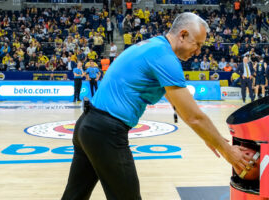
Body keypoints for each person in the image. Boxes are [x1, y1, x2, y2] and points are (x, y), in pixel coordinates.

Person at [61, 12, 252, 200]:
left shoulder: (154, 47)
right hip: (105, 131)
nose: (199, 51)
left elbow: (180, 105)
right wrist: (228, 152)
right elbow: (193, 116)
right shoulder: (164, 57)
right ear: (183, 35)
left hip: (87, 126)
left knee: (74, 196)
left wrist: (209, 137)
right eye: (198, 44)